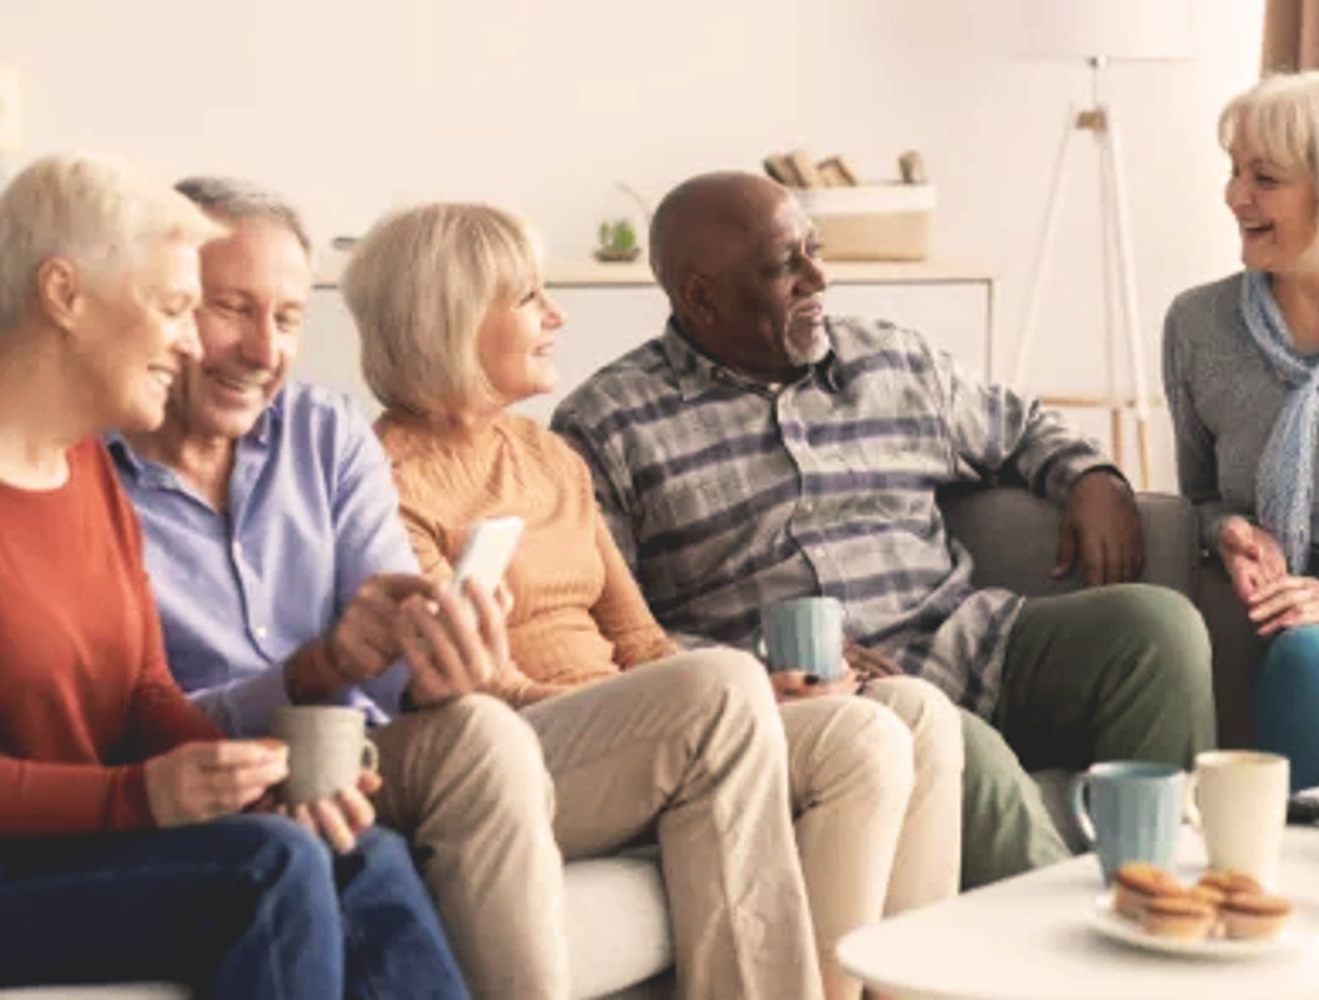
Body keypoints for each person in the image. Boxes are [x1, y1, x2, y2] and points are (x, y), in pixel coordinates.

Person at [116, 177, 816, 1000]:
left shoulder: (324, 432)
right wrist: (321, 673)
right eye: (231, 308)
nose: (265, 349)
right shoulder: (90, 475)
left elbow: (397, 646)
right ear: (159, 307)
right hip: (209, 763)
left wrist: (429, 657)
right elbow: (128, 717)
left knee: (481, 721)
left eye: (290, 317)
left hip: (366, 753)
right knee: (502, 729)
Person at [351, 200, 966, 1000]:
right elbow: (476, 689)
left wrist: (752, 695)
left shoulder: (547, 456)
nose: (556, 314)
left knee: (905, 716)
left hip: (641, 725)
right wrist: (667, 702)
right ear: (453, 319)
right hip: (520, 747)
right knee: (719, 687)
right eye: (530, 298)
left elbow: (639, 641)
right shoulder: (383, 480)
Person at [551, 171, 1217, 886]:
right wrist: (760, 673)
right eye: (785, 267)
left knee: (1156, 629)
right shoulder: (607, 427)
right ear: (699, 297)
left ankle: (1161, 904)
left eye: (814, 249)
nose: (819, 277)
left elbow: (1021, 428)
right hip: (823, 703)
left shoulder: (890, 357)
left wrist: (1092, 477)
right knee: (961, 750)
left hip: (966, 643)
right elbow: (605, 627)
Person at [0, 154, 464, 998]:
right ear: (63, 295)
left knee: (353, 848)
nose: (188, 342)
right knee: (270, 866)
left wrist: (260, 776)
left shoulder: (83, 470)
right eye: (176, 307)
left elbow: (140, 689)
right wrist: (135, 800)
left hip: (73, 846)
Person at [1163, 67, 1319, 792]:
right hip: (1314, 629)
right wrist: (1229, 532)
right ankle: (1281, 894)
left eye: (1264, 177)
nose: (1233, 196)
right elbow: (1203, 497)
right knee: (1308, 661)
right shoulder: (1197, 327)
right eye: (1235, 171)